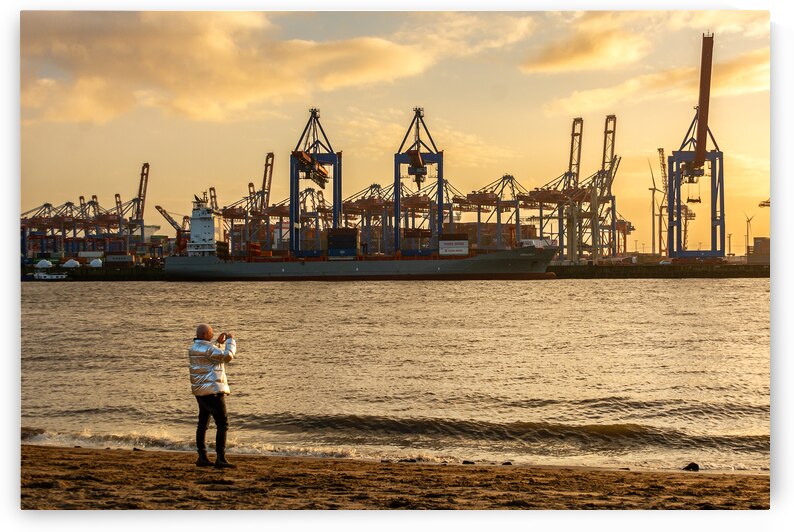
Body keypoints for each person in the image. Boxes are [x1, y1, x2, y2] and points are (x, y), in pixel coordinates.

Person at [188, 323, 237, 468]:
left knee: (202, 423)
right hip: (213, 392)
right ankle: (220, 458)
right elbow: (227, 357)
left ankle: (202, 456)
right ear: (203, 335)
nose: (212, 335)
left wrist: (218, 343)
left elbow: (213, 357)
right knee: (223, 423)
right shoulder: (208, 349)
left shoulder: (194, 348)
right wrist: (230, 341)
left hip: (200, 392)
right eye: (210, 333)